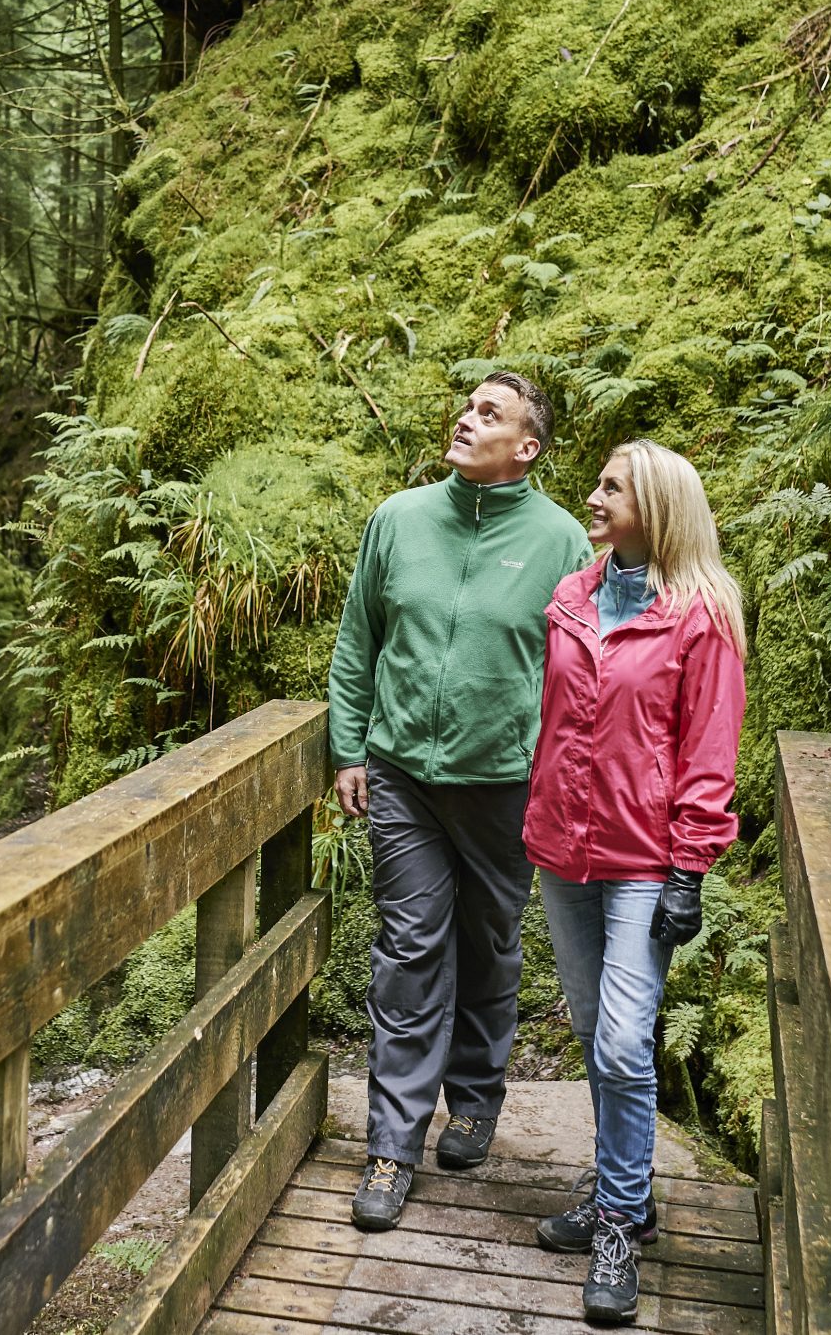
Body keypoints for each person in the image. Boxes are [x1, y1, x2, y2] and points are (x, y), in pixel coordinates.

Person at [327, 371, 592, 1232]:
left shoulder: (560, 542)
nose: (465, 418)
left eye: (491, 413)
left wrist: (559, 774)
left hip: (505, 782)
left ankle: (475, 1099)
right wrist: (349, 746)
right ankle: (391, 1146)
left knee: (488, 941)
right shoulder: (399, 519)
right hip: (402, 773)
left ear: (528, 447)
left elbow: (581, 674)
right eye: (466, 405)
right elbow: (359, 637)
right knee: (408, 949)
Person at [523, 439, 746, 1326]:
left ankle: (619, 1224)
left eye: (612, 486)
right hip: (563, 853)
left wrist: (691, 863)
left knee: (622, 1042)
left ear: (654, 506)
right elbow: (553, 719)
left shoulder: (703, 616)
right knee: (591, 1029)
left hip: (645, 862)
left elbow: (709, 749)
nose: (595, 494)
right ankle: (631, 1191)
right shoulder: (573, 596)